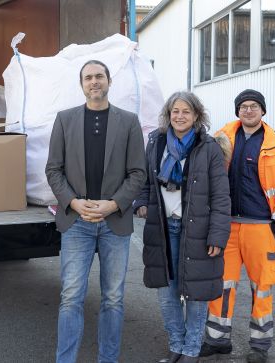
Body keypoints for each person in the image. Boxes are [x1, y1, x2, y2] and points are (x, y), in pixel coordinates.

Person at [45, 60, 146, 363]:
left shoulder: (128, 122)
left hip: (114, 221)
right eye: (88, 78)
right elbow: (53, 170)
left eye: (99, 76)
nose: (94, 82)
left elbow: (138, 173)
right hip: (77, 221)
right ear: (82, 84)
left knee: (113, 299)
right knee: (70, 298)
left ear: (108, 81)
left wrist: (113, 204)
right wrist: (74, 203)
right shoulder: (65, 120)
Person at [134, 91, 231, 363]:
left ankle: (191, 350)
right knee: (167, 292)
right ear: (168, 114)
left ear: (197, 116)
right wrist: (142, 202)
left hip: (198, 230)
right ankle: (176, 345)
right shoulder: (156, 142)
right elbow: (145, 180)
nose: (180, 116)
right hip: (163, 229)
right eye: (175, 111)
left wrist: (218, 235)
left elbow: (221, 196)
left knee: (196, 294)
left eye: (186, 112)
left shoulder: (208, 147)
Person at [199, 89, 275, 363]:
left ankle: (259, 346)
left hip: (263, 227)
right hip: (226, 225)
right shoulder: (221, 138)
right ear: (237, 110)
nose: (248, 110)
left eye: (254, 106)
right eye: (243, 106)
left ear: (263, 111)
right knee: (222, 285)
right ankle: (217, 340)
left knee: (261, 288)